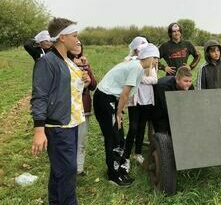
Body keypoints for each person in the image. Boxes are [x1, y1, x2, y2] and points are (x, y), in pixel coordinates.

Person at [31, 17, 89, 204]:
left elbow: (69, 89)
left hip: (72, 122)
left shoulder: (68, 60)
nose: (77, 39)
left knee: (60, 171)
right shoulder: (47, 62)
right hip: (58, 126)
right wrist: (39, 130)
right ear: (62, 37)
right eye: (74, 35)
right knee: (67, 172)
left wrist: (84, 81)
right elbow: (40, 96)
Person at [93, 44, 160, 186]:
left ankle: (117, 170)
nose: (156, 62)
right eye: (154, 58)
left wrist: (120, 111)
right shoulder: (136, 67)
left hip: (111, 99)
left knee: (118, 137)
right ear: (147, 56)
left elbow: (126, 94)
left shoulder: (139, 67)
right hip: (105, 98)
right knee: (114, 137)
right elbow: (124, 94)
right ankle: (113, 175)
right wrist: (118, 112)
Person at [124, 43, 158, 173]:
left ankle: (137, 153)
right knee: (133, 127)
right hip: (135, 101)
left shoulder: (152, 65)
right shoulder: (132, 62)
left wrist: (140, 78)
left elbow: (154, 80)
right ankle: (126, 156)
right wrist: (143, 78)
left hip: (147, 100)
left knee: (142, 126)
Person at [68, 41, 97, 175]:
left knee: (82, 138)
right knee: (69, 140)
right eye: (74, 43)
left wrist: (86, 68)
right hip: (69, 107)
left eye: (79, 44)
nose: (77, 45)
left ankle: (79, 168)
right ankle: (69, 166)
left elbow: (93, 85)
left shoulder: (85, 63)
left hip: (84, 106)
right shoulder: (65, 63)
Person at [152, 66, 194, 134]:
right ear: (177, 80)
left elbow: (191, 102)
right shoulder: (163, 86)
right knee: (163, 135)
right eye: (185, 81)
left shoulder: (189, 86)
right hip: (159, 110)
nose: (188, 83)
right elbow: (165, 106)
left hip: (175, 107)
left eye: (190, 81)